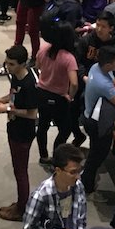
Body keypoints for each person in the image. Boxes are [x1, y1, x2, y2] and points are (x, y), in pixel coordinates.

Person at [0, 45, 40, 221]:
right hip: (14, 127)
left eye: (11, 64)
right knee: (17, 168)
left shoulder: (30, 84)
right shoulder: (16, 76)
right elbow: (13, 95)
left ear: (22, 64)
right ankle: (20, 203)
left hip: (23, 132)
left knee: (20, 172)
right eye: (7, 63)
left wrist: (8, 109)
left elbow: (32, 113)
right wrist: (1, 100)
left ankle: (22, 208)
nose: (7, 67)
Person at [23, 144, 87, 229]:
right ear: (58, 170)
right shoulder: (41, 195)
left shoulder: (78, 187)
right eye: (73, 172)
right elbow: (29, 228)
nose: (77, 176)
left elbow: (81, 217)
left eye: (79, 171)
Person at [80, 46, 115, 194]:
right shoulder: (103, 84)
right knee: (97, 156)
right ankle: (86, 185)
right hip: (97, 123)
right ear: (108, 64)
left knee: (94, 150)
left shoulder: (96, 67)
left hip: (89, 114)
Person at [34, 23, 80, 162]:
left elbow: (37, 66)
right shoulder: (68, 58)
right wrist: (70, 96)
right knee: (65, 129)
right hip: (59, 97)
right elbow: (74, 83)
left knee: (42, 126)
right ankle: (57, 155)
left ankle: (43, 155)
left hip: (42, 93)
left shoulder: (43, 49)